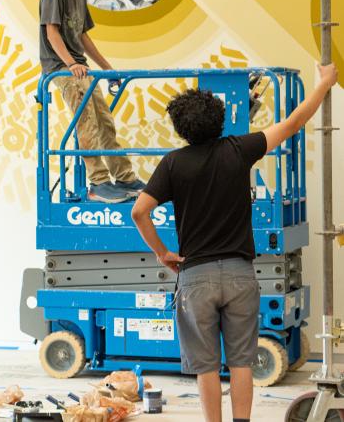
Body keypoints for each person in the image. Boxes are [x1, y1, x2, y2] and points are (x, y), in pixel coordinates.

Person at [131, 64, 338, 422]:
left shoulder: (173, 163)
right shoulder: (240, 149)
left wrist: (162, 252)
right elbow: (292, 124)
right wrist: (324, 83)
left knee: (206, 366)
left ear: (181, 129)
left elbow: (139, 212)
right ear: (221, 119)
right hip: (241, 274)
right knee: (242, 361)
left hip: (196, 276)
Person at [39, 0, 145, 203]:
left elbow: (82, 35)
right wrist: (71, 64)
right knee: (86, 121)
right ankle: (98, 183)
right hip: (62, 67)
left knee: (104, 120)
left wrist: (108, 69)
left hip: (80, 67)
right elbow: (51, 32)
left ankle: (124, 176)